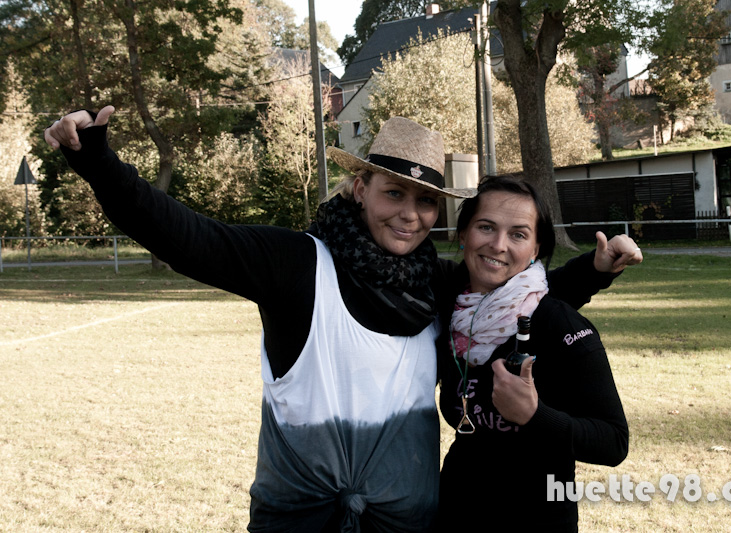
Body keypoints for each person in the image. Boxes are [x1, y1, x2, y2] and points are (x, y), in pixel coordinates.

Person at [44, 107, 638, 532]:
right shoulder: (296, 264)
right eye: (393, 193)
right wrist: (100, 166)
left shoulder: (435, 284)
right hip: (300, 517)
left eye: (424, 201)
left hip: (406, 521)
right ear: (360, 188)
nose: (409, 215)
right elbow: (189, 238)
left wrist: (593, 270)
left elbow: (514, 301)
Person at [436, 176, 631, 532]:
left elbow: (613, 442)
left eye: (518, 234)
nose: (498, 245)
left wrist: (535, 415)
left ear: (535, 248)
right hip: (452, 512)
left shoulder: (558, 322)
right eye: (486, 227)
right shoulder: (450, 305)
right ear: (463, 233)